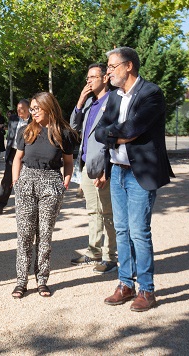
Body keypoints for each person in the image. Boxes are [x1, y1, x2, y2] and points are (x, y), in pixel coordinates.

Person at [96, 47, 174, 312]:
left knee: (139, 232)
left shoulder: (151, 93)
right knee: (121, 230)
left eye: (111, 66)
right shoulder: (114, 97)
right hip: (117, 170)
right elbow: (99, 132)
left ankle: (147, 290)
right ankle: (125, 284)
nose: (108, 71)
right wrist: (120, 136)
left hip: (140, 173)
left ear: (128, 66)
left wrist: (119, 133)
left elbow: (133, 129)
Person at [10, 92, 76, 299]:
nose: (33, 112)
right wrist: (16, 182)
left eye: (37, 108)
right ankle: (21, 281)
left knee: (45, 236)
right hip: (26, 182)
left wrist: (64, 183)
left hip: (51, 184)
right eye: (32, 109)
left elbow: (68, 162)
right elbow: (17, 159)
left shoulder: (63, 133)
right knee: (25, 235)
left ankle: (42, 280)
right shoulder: (25, 131)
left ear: (49, 107)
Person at [69, 63, 118, 274]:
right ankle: (93, 251)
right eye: (87, 77)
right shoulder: (89, 102)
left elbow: (115, 139)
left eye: (93, 77)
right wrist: (80, 101)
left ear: (105, 78)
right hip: (87, 164)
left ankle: (111, 257)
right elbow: (73, 127)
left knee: (107, 212)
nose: (88, 81)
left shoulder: (114, 100)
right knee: (92, 211)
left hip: (103, 165)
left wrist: (107, 170)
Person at [0, 100, 31, 214]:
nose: (19, 111)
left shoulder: (34, 121)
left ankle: (26, 205)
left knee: (27, 179)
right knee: (7, 179)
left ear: (29, 109)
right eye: (18, 108)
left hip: (28, 153)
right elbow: (10, 136)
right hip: (13, 152)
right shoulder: (13, 119)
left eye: (22, 109)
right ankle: (1, 204)